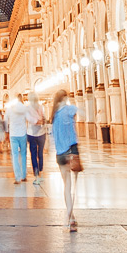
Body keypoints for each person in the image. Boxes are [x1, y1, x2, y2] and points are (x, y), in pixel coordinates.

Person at [51, 89, 80, 232]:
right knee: (73, 186)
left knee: (66, 187)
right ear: (65, 98)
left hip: (60, 154)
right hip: (72, 151)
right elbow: (82, 112)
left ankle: (72, 216)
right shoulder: (69, 109)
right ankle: (68, 218)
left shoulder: (54, 115)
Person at [6, 93, 29, 183]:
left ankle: (17, 177)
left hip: (13, 134)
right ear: (21, 98)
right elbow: (28, 119)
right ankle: (24, 175)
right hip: (23, 133)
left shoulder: (10, 108)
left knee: (15, 155)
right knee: (23, 155)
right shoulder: (24, 108)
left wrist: (6, 131)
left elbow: (5, 120)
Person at [26, 91, 47, 185]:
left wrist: (36, 121)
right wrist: (40, 121)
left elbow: (29, 119)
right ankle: (41, 173)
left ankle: (36, 175)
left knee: (33, 154)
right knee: (40, 153)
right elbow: (44, 118)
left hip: (32, 134)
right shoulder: (41, 107)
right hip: (42, 132)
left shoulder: (27, 108)